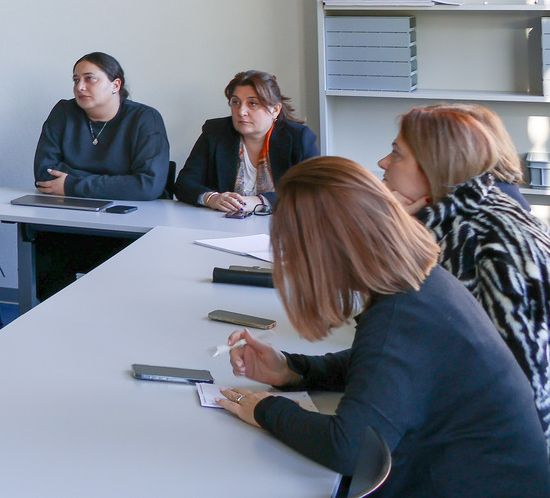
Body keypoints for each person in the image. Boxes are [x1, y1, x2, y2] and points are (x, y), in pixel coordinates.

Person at [216, 157, 549, 495]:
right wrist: (292, 370)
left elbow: (349, 449)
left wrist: (265, 408)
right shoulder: (417, 284)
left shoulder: (400, 314)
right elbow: (376, 366)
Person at [378, 106, 550, 448]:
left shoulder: (489, 240)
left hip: (489, 452)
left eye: (396, 154)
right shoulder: (455, 221)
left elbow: (518, 390)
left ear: (435, 167)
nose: (383, 163)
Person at [30, 52, 169, 300]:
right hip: (69, 223)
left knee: (121, 292)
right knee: (46, 249)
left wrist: (72, 184)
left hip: (128, 227)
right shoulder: (64, 112)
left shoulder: (145, 119)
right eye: (76, 80)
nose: (80, 87)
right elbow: (44, 174)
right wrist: (118, 181)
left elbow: (147, 184)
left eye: (90, 78)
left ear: (116, 85)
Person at [175, 70, 320, 212]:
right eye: (236, 102)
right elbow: (184, 183)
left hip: (281, 223)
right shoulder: (215, 133)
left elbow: (314, 190)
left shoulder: (299, 138)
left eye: (252, 103)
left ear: (275, 110)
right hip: (223, 223)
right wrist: (211, 198)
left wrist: (261, 201)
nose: (241, 111)